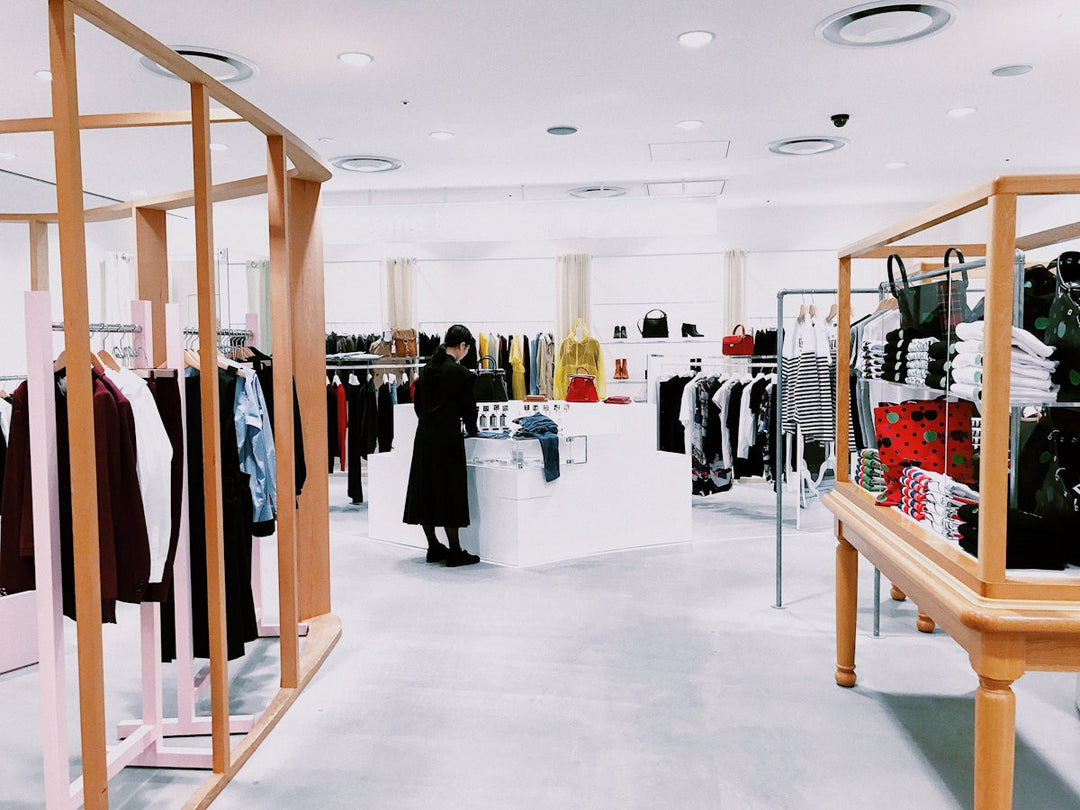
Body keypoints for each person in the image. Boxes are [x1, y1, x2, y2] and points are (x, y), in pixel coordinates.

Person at [402, 324, 481, 566]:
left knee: (426, 491)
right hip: (447, 438)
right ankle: (455, 550)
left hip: (425, 436)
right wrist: (474, 431)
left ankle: (433, 546)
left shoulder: (426, 371)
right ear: (463, 346)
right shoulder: (461, 375)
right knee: (450, 492)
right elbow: (469, 411)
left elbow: (417, 405)